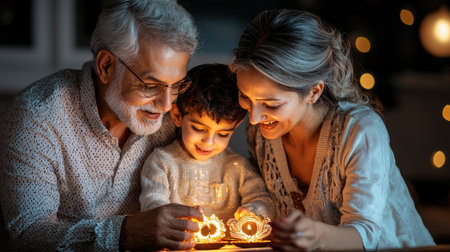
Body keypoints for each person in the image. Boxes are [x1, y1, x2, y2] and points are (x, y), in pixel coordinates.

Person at [0, 0, 204, 251]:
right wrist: (126, 233)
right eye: (151, 86)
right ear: (106, 66)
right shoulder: (37, 116)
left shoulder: (176, 116)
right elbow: (28, 233)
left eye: (177, 85)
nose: (165, 104)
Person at [229, 9, 435, 251]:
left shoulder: (359, 131)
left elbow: (365, 236)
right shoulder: (263, 135)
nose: (253, 118)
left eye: (271, 104)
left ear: (314, 91)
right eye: (245, 96)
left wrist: (315, 235)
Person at [139, 64, 275, 229]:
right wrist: (172, 221)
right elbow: (153, 204)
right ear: (177, 116)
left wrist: (254, 211)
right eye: (199, 129)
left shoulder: (237, 167)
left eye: (223, 134)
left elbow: (263, 199)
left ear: (236, 126)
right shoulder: (162, 163)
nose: (209, 142)